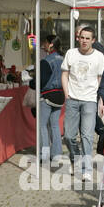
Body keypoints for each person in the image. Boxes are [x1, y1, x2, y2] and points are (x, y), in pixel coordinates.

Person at [62, 25, 104, 183]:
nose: (84, 41)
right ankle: (76, 160)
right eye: (82, 37)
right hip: (73, 99)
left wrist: (99, 99)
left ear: (93, 40)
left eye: (88, 38)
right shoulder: (71, 53)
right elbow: (65, 74)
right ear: (78, 38)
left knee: (87, 136)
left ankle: (87, 169)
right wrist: (67, 94)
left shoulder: (99, 56)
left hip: (89, 100)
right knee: (68, 135)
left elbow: (101, 79)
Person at [37, 34, 65, 170]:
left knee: (42, 125)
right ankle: (57, 154)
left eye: (45, 43)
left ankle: (44, 154)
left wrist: (31, 81)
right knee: (54, 125)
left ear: (51, 44)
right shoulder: (63, 59)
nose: (43, 45)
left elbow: (41, 80)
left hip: (48, 95)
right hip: (60, 95)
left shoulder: (46, 60)